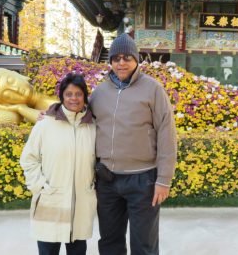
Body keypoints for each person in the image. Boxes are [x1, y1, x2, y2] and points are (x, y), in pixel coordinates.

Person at [89, 33, 178, 255]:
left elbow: (167, 132)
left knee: (144, 244)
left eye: (127, 58)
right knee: (110, 241)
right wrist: (52, 113)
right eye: (116, 58)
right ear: (110, 61)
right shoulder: (100, 92)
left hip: (143, 180)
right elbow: (80, 118)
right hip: (107, 179)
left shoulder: (153, 89)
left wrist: (164, 180)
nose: (121, 63)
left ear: (136, 60)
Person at [19, 73, 97, 255]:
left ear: (85, 96)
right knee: (48, 250)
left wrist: (92, 186)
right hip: (51, 200)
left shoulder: (92, 125)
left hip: (81, 204)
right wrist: (40, 186)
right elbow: (28, 158)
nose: (74, 98)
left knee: (77, 250)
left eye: (78, 94)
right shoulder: (45, 123)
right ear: (61, 96)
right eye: (69, 94)